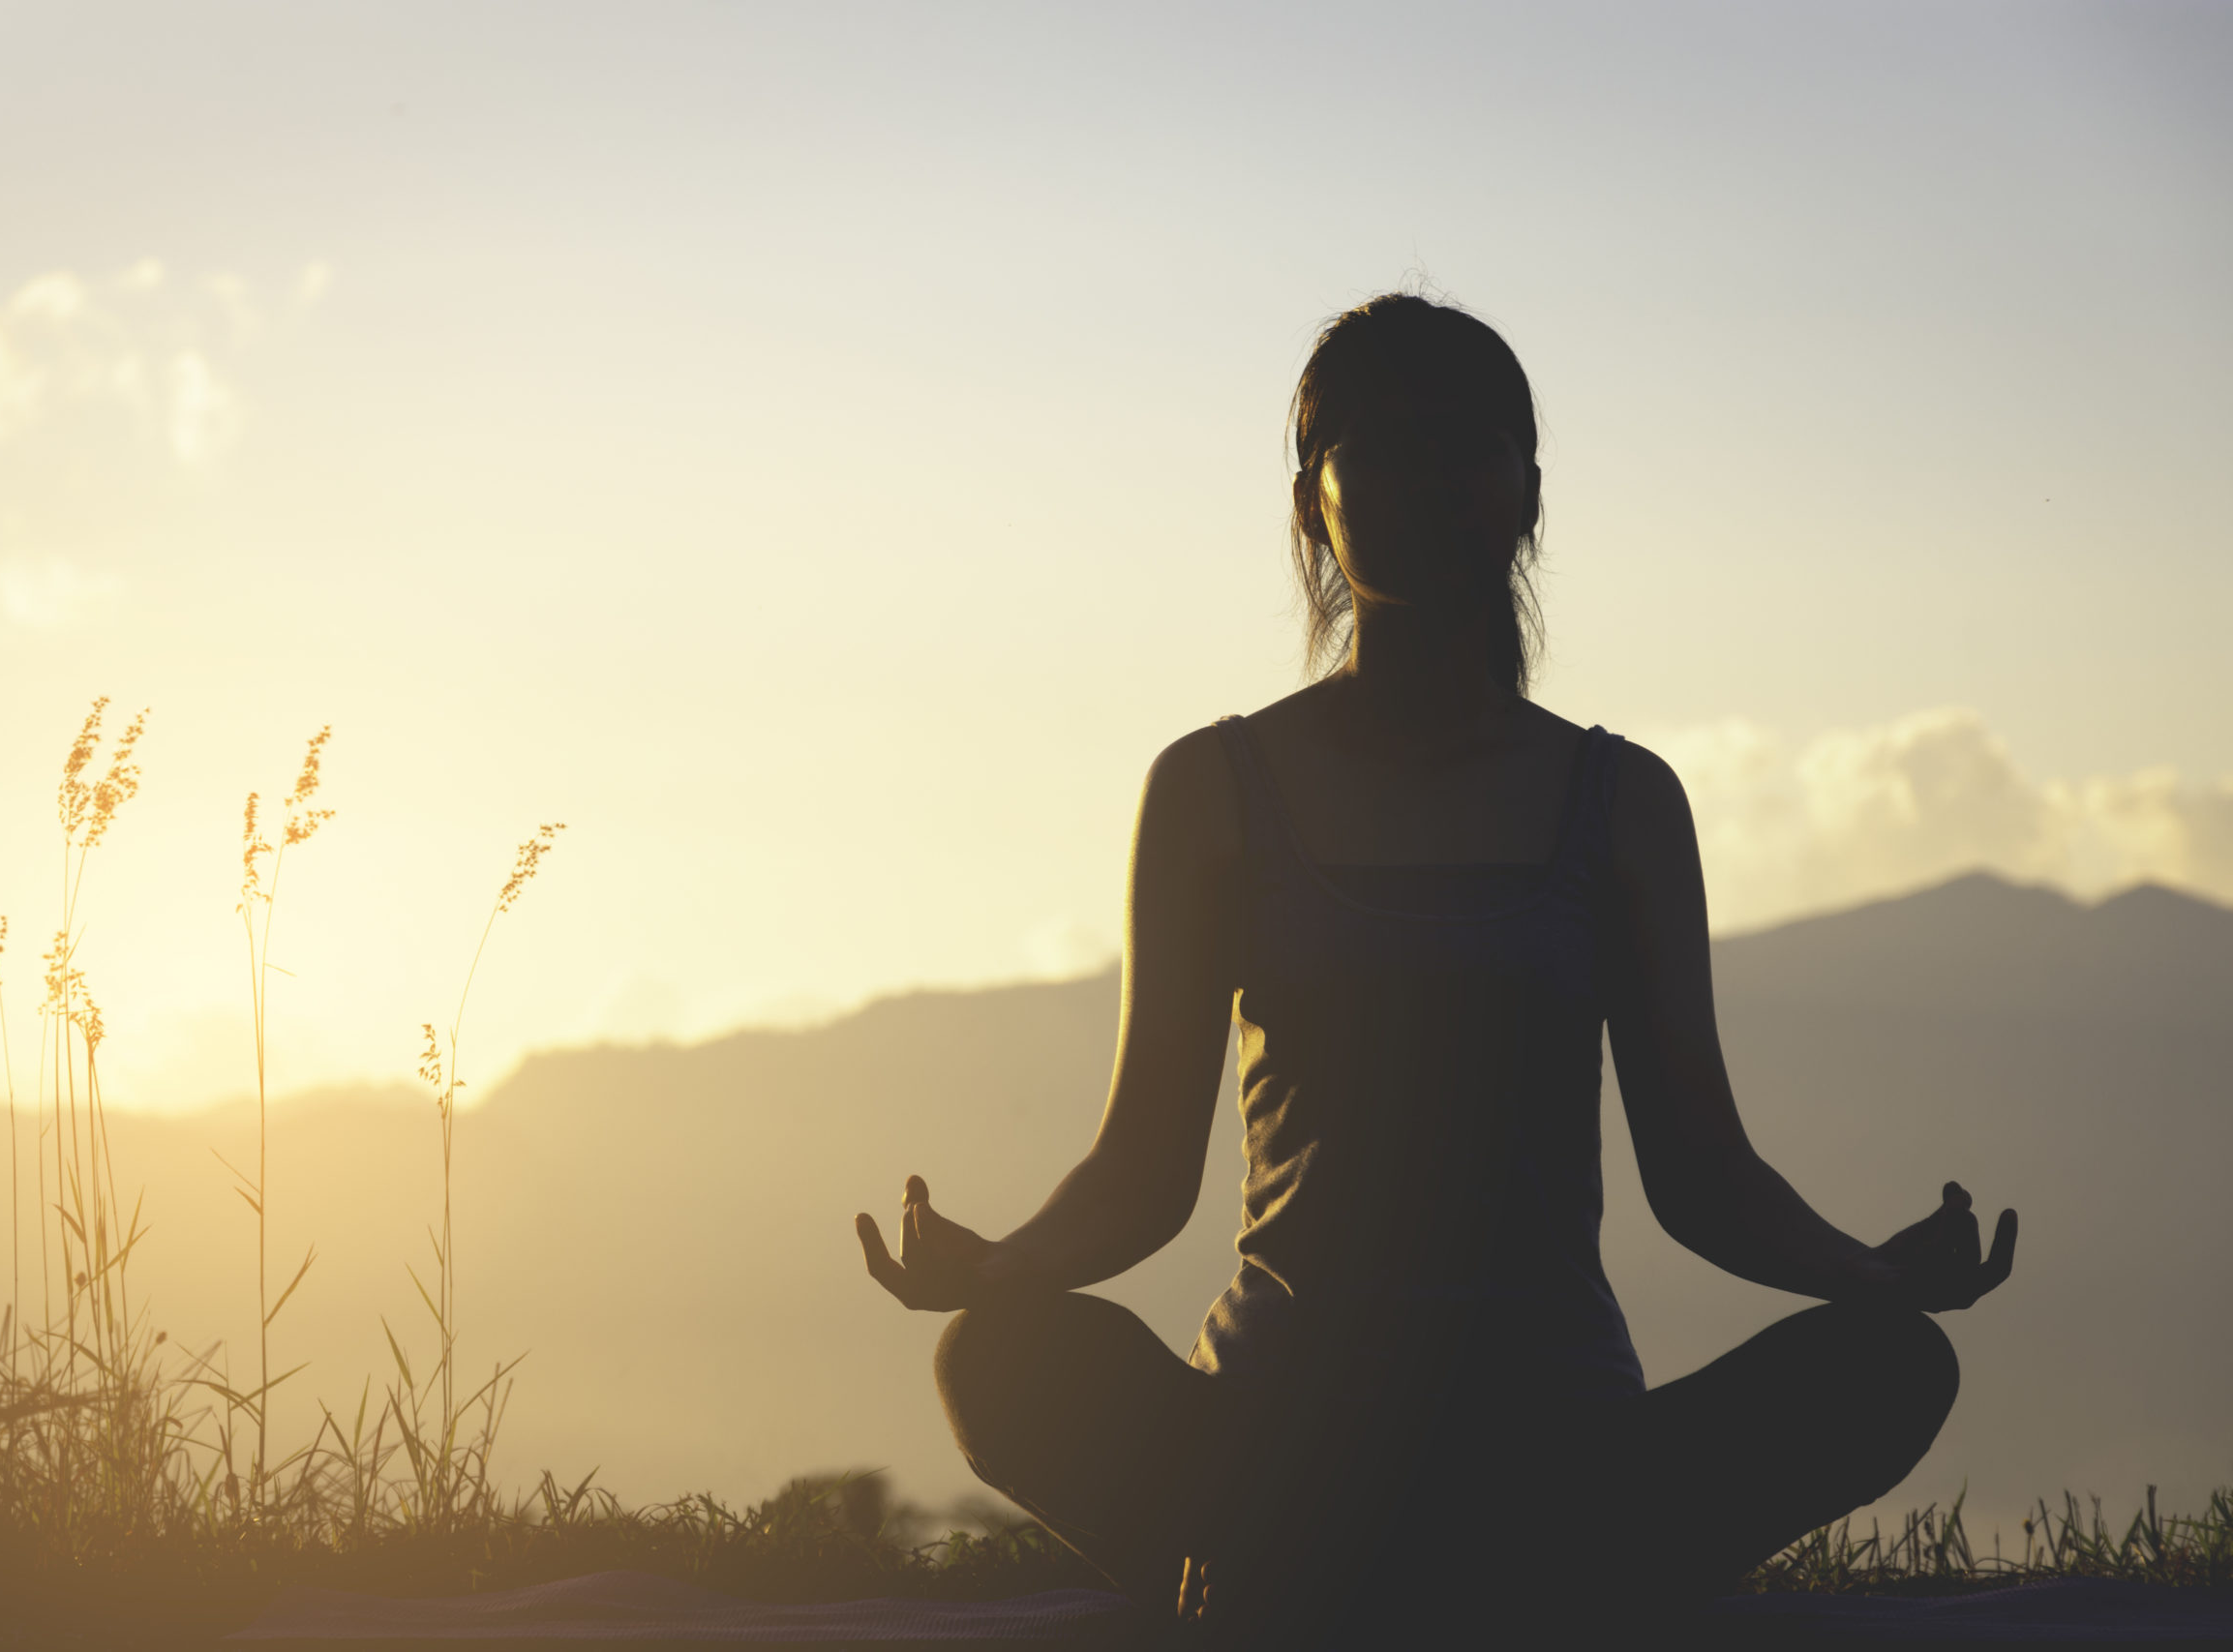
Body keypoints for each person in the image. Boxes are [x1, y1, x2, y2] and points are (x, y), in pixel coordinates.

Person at [852, 292, 2019, 1643]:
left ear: (1526, 493)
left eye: (1469, 446)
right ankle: (1375, 1580)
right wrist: (994, 1270)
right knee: (997, 1361)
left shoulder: (1620, 802)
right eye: (1385, 446)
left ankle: (1360, 1591)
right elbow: (1142, 1175)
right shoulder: (1214, 791)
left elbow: (1703, 1176)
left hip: (1562, 1454)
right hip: (1273, 1454)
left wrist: (1875, 1281)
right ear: (1314, 501)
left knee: (1888, 1369)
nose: (1429, 479)